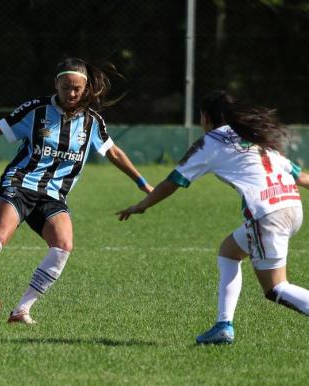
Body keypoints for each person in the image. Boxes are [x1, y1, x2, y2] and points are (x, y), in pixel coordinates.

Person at [0, 57, 153, 324]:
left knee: (63, 246)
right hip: (19, 184)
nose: (71, 93)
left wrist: (142, 183)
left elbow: (113, 152)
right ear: (55, 85)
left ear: (86, 89)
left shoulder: (92, 122)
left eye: (77, 89)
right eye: (66, 87)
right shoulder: (35, 110)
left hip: (54, 196)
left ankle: (22, 310)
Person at [117, 90, 309, 344]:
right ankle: (223, 325)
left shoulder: (210, 143)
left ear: (206, 118)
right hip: (291, 207)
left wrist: (142, 205)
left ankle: (224, 326)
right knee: (229, 251)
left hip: (266, 215)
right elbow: (299, 176)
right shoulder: (253, 136)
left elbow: (173, 182)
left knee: (275, 288)